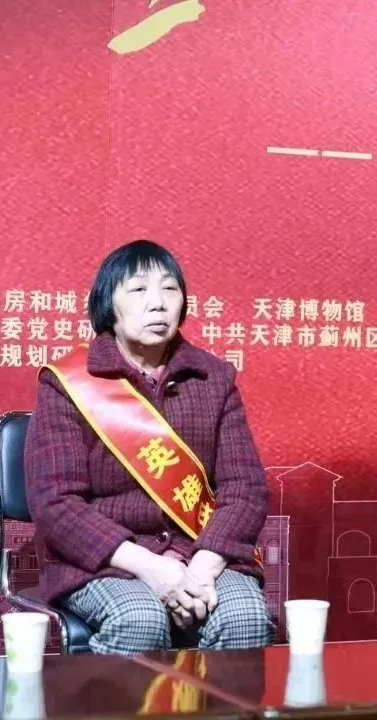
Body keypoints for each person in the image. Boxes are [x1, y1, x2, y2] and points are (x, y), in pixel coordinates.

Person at [25, 239, 273, 654]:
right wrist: (151, 568)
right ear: (108, 305)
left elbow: (245, 489)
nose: (158, 303)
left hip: (200, 553)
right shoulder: (69, 383)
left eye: (169, 289)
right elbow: (56, 503)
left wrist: (202, 567)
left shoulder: (214, 379)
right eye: (139, 289)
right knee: (139, 619)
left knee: (244, 616)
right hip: (108, 561)